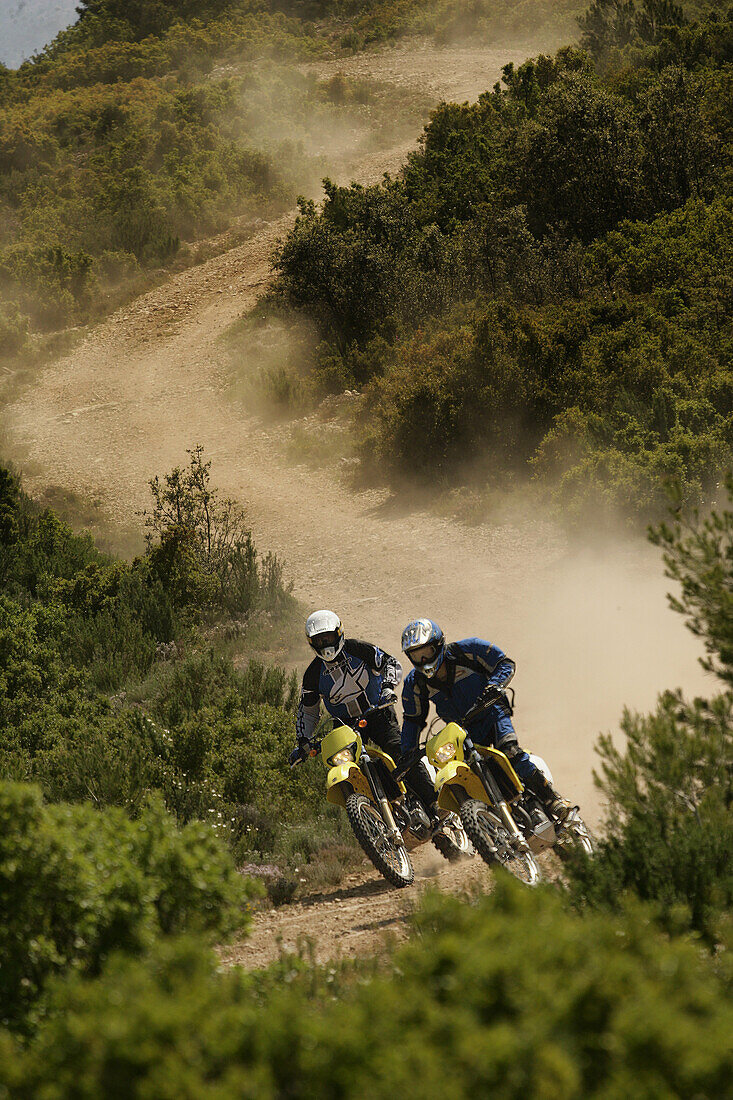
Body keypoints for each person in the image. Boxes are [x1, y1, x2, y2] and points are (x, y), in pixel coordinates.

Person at [400, 618, 573, 822]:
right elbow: (413, 719)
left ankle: (553, 799)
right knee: (466, 774)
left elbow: (504, 664)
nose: (422, 660)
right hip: (462, 732)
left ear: (438, 645)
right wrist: (407, 754)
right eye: (415, 655)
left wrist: (495, 686)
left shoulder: (469, 650)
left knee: (510, 751)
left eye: (426, 652)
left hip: (492, 713)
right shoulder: (415, 682)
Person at [289, 610, 438, 816]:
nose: (325, 644)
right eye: (319, 640)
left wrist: (387, 687)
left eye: (328, 638)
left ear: (339, 633)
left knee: (399, 751)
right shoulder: (313, 674)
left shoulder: (358, 649)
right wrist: (303, 741)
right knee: (348, 770)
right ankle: (377, 818)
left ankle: (435, 803)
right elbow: (308, 710)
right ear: (311, 642)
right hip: (344, 726)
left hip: (377, 711)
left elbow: (390, 663)